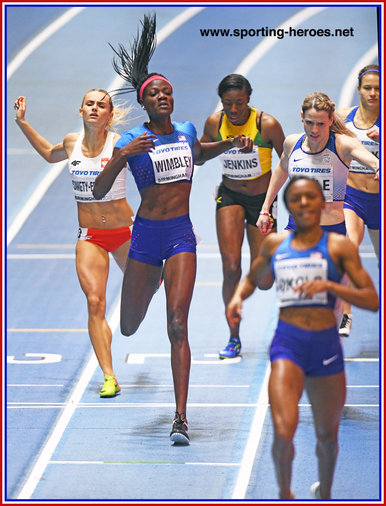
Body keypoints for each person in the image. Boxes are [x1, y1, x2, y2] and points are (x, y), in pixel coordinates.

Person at [92, 13, 253, 445]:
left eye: (168, 92)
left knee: (177, 325)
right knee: (127, 326)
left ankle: (180, 418)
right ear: (145, 103)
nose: (164, 97)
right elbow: (99, 187)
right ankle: (152, 278)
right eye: (156, 94)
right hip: (144, 239)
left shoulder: (183, 131)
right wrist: (123, 155)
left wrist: (230, 144)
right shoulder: (133, 139)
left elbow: (199, 155)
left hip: (181, 236)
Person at [226, 176, 379, 499]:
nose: (305, 204)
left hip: (325, 347)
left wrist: (332, 287)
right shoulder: (275, 245)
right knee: (282, 432)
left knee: (327, 435)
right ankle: (285, 494)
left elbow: (372, 300)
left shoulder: (338, 248)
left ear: (322, 204)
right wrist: (238, 299)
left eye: (311, 197)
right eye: (297, 200)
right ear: (289, 207)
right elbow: (253, 278)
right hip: (288, 344)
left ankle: (324, 494)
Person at [14, 90, 134, 398]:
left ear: (109, 115)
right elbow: (47, 153)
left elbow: (147, 175)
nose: (95, 108)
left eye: (101, 105)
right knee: (95, 303)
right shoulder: (71, 143)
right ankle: (109, 376)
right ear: (80, 110)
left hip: (125, 232)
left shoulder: (119, 144)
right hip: (90, 235)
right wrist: (22, 122)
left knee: (150, 290)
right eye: (90, 104)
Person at [256, 92, 379, 326]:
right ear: (301, 117)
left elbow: (372, 161)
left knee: (329, 304)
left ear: (331, 120)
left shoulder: (342, 144)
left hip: (332, 232)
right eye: (309, 122)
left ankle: (330, 338)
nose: (314, 130)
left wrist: (378, 167)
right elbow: (281, 170)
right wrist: (265, 209)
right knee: (278, 286)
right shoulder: (293, 143)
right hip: (297, 228)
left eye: (320, 124)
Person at [199, 74, 285, 359]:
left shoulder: (267, 124)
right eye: (227, 104)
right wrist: (229, 144)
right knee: (231, 268)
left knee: (264, 280)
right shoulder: (215, 123)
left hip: (262, 201)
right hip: (230, 196)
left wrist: (277, 202)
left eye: (239, 103)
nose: (233, 110)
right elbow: (199, 156)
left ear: (249, 98)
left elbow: (288, 162)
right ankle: (233, 337)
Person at [336, 64, 379, 338]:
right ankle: (346, 315)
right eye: (368, 88)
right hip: (352, 197)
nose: (373, 93)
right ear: (358, 90)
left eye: (378, 88)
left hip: (381, 200)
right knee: (348, 252)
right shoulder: (343, 118)